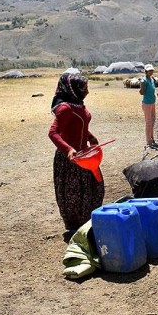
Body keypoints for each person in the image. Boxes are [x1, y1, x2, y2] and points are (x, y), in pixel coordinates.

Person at [48, 73, 105, 239]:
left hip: (85, 155)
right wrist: (68, 150)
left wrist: (90, 137)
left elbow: (78, 126)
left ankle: (88, 223)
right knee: (74, 194)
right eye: (84, 88)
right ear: (74, 88)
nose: (87, 91)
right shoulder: (65, 108)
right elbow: (53, 133)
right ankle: (76, 229)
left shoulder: (78, 103)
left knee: (95, 188)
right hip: (71, 160)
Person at [139, 64, 157, 147]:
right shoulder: (144, 80)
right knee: (148, 121)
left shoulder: (152, 79)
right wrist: (142, 86)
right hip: (146, 103)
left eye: (152, 70)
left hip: (152, 102)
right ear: (146, 72)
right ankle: (148, 140)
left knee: (152, 120)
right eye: (149, 71)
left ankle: (151, 137)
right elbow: (141, 92)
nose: (151, 72)